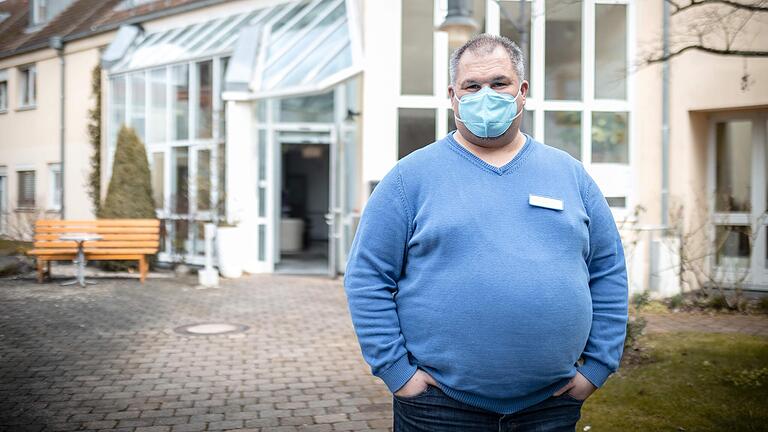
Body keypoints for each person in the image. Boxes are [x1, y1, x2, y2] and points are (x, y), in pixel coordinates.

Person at [343, 34, 628, 432]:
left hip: (551, 404)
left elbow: (608, 270)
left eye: (499, 84)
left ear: (522, 91)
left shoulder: (569, 175)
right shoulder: (410, 178)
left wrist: (598, 366)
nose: (485, 95)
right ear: (452, 95)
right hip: (438, 407)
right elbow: (367, 277)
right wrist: (397, 373)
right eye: (472, 86)